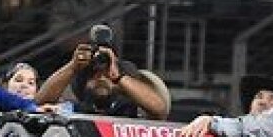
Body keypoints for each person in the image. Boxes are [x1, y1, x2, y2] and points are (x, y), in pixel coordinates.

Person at [36, 31, 172, 119]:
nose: (101, 78)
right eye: (94, 74)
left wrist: (117, 76)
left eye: (106, 74)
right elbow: (39, 104)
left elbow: (159, 110)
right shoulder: (74, 107)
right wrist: (73, 66)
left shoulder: (133, 108)